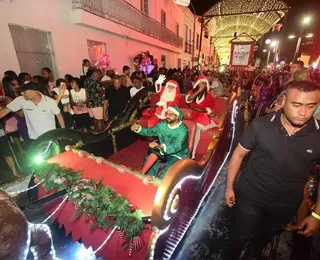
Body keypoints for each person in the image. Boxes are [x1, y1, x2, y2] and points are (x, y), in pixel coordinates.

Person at [224, 80, 320, 260]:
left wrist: (317, 214)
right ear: (283, 101)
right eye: (296, 104)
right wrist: (229, 186)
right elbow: (238, 155)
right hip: (250, 196)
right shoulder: (260, 125)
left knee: (262, 239)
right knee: (238, 237)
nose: (303, 112)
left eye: (311, 106)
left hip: (285, 205)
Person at [131, 106, 189, 179]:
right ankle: (145, 178)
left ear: (177, 117)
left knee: (168, 170)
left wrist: (161, 147)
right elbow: (150, 131)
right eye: (167, 114)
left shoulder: (183, 129)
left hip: (178, 154)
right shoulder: (162, 125)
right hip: (163, 150)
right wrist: (139, 128)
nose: (168, 116)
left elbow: (177, 146)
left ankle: (159, 185)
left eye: (171, 114)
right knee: (149, 159)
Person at [0, 82, 65, 141]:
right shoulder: (21, 100)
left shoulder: (49, 101)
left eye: (24, 92)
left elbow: (59, 116)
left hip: (50, 137)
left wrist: (63, 132)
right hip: (33, 139)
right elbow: (5, 110)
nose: (22, 93)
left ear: (34, 91)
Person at [186, 75, 216, 159]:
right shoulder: (192, 91)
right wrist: (198, 91)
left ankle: (193, 153)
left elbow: (211, 109)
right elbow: (188, 99)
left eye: (204, 84)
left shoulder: (208, 95)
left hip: (202, 117)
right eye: (201, 83)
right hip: (191, 115)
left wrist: (199, 110)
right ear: (198, 84)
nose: (203, 85)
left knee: (197, 130)